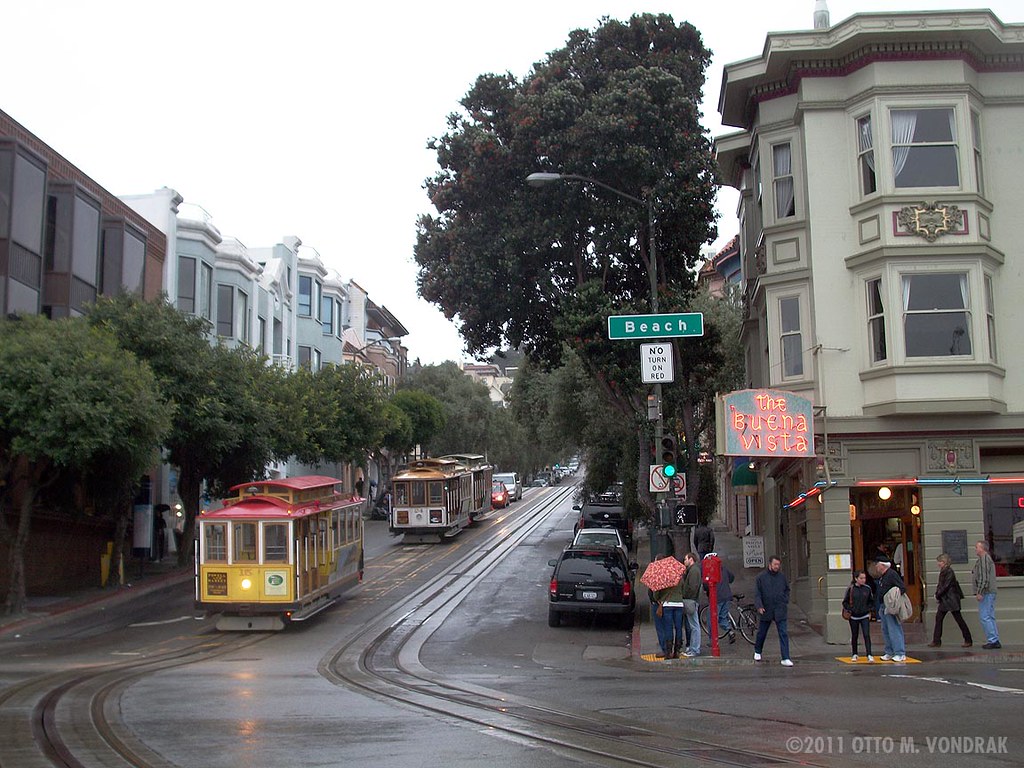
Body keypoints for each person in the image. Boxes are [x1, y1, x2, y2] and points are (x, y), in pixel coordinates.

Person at [753, 555, 793, 666]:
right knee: (762, 632)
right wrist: (759, 606)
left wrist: (785, 600)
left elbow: (787, 589)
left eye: (778, 565)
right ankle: (758, 651)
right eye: (775, 564)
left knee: (783, 633)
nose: (777, 566)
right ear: (770, 564)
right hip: (766, 609)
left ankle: (785, 657)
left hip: (780, 608)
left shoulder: (782, 577)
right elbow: (757, 593)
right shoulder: (761, 577)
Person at [929, 553, 972, 648]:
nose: (938, 563)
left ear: (944, 562)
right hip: (946, 599)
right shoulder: (944, 571)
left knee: (958, 619)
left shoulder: (949, 572)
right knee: (939, 618)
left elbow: (945, 586)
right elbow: (941, 585)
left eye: (940, 561)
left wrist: (938, 595)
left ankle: (968, 639)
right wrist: (938, 594)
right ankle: (936, 640)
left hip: (951, 599)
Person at [650, 560, 686, 659]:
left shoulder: (662, 577)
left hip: (667, 604)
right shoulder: (679, 578)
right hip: (679, 604)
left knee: (668, 628)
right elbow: (683, 590)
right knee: (679, 627)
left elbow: (656, 594)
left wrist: (658, 599)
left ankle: (668, 652)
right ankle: (677, 650)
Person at [875, 559, 906, 662]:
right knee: (886, 630)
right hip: (883, 605)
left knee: (894, 628)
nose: (876, 567)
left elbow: (902, 587)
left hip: (890, 605)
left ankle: (900, 653)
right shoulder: (883, 576)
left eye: (877, 564)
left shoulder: (892, 574)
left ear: (882, 565)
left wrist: (893, 599)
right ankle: (889, 651)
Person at [972, 540, 1001, 649]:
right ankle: (995, 639)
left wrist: (980, 592)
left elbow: (984, 577)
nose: (975, 549)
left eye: (977, 547)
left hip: (986, 592)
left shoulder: (984, 559)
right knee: (990, 616)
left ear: (982, 548)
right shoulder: (985, 559)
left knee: (985, 617)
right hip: (989, 591)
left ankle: (992, 640)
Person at [842, 570, 874, 662]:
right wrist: (850, 609)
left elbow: (871, 601)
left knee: (866, 634)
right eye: (861, 578)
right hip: (853, 616)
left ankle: (869, 654)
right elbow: (845, 602)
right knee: (854, 635)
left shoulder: (867, 589)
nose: (863, 580)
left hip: (864, 615)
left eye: (864, 578)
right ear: (856, 579)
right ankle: (854, 653)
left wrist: (869, 609)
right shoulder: (851, 589)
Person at [704, 557, 736, 644]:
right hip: (727, 596)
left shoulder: (710, 571)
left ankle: (713, 641)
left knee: (711, 619)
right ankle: (729, 630)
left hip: (716, 598)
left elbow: (706, 585)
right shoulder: (724, 568)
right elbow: (732, 578)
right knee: (723, 617)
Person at [680, 552, 702, 657]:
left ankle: (695, 649)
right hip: (691, 600)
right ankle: (693, 648)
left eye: (686, 559)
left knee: (694, 626)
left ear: (691, 559)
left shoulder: (694, 571)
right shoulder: (692, 570)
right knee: (693, 625)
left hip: (691, 600)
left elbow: (693, 587)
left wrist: (686, 595)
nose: (684, 561)